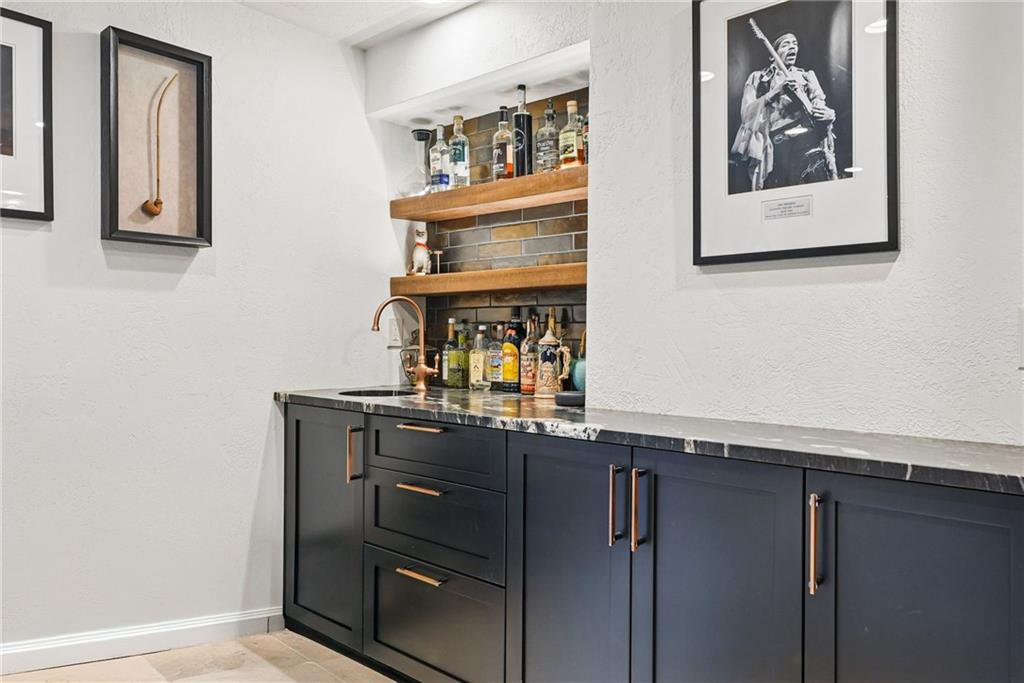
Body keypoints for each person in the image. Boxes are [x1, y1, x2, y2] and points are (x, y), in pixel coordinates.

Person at [731, 32, 839, 192]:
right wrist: (774, 92)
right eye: (786, 44)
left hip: (809, 140)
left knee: (818, 189)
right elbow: (746, 114)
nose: (793, 47)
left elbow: (820, 104)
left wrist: (829, 114)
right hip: (778, 144)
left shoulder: (806, 76)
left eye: (795, 43)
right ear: (772, 54)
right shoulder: (758, 78)